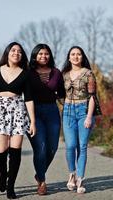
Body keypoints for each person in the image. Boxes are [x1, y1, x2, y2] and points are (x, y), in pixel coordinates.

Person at [0, 42, 36, 199]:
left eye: (19, 51)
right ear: (7, 53)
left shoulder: (25, 73)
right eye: (13, 50)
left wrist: (32, 121)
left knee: (15, 151)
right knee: (0, 151)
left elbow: (29, 99)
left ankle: (11, 186)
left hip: (18, 111)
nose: (16, 53)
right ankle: (3, 174)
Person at [27, 44, 65, 195]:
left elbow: (61, 92)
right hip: (33, 112)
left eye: (46, 54)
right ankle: (41, 181)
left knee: (53, 147)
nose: (44, 56)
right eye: (40, 54)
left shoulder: (56, 72)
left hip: (52, 111)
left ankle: (38, 173)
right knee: (41, 148)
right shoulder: (28, 73)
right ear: (35, 56)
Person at [61, 46, 97, 194]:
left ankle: (80, 179)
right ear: (69, 58)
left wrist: (89, 116)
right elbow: (58, 94)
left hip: (84, 111)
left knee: (82, 146)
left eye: (78, 54)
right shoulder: (63, 75)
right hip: (68, 112)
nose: (76, 57)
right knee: (70, 145)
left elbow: (93, 97)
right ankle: (72, 174)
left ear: (82, 57)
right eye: (73, 54)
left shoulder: (88, 74)